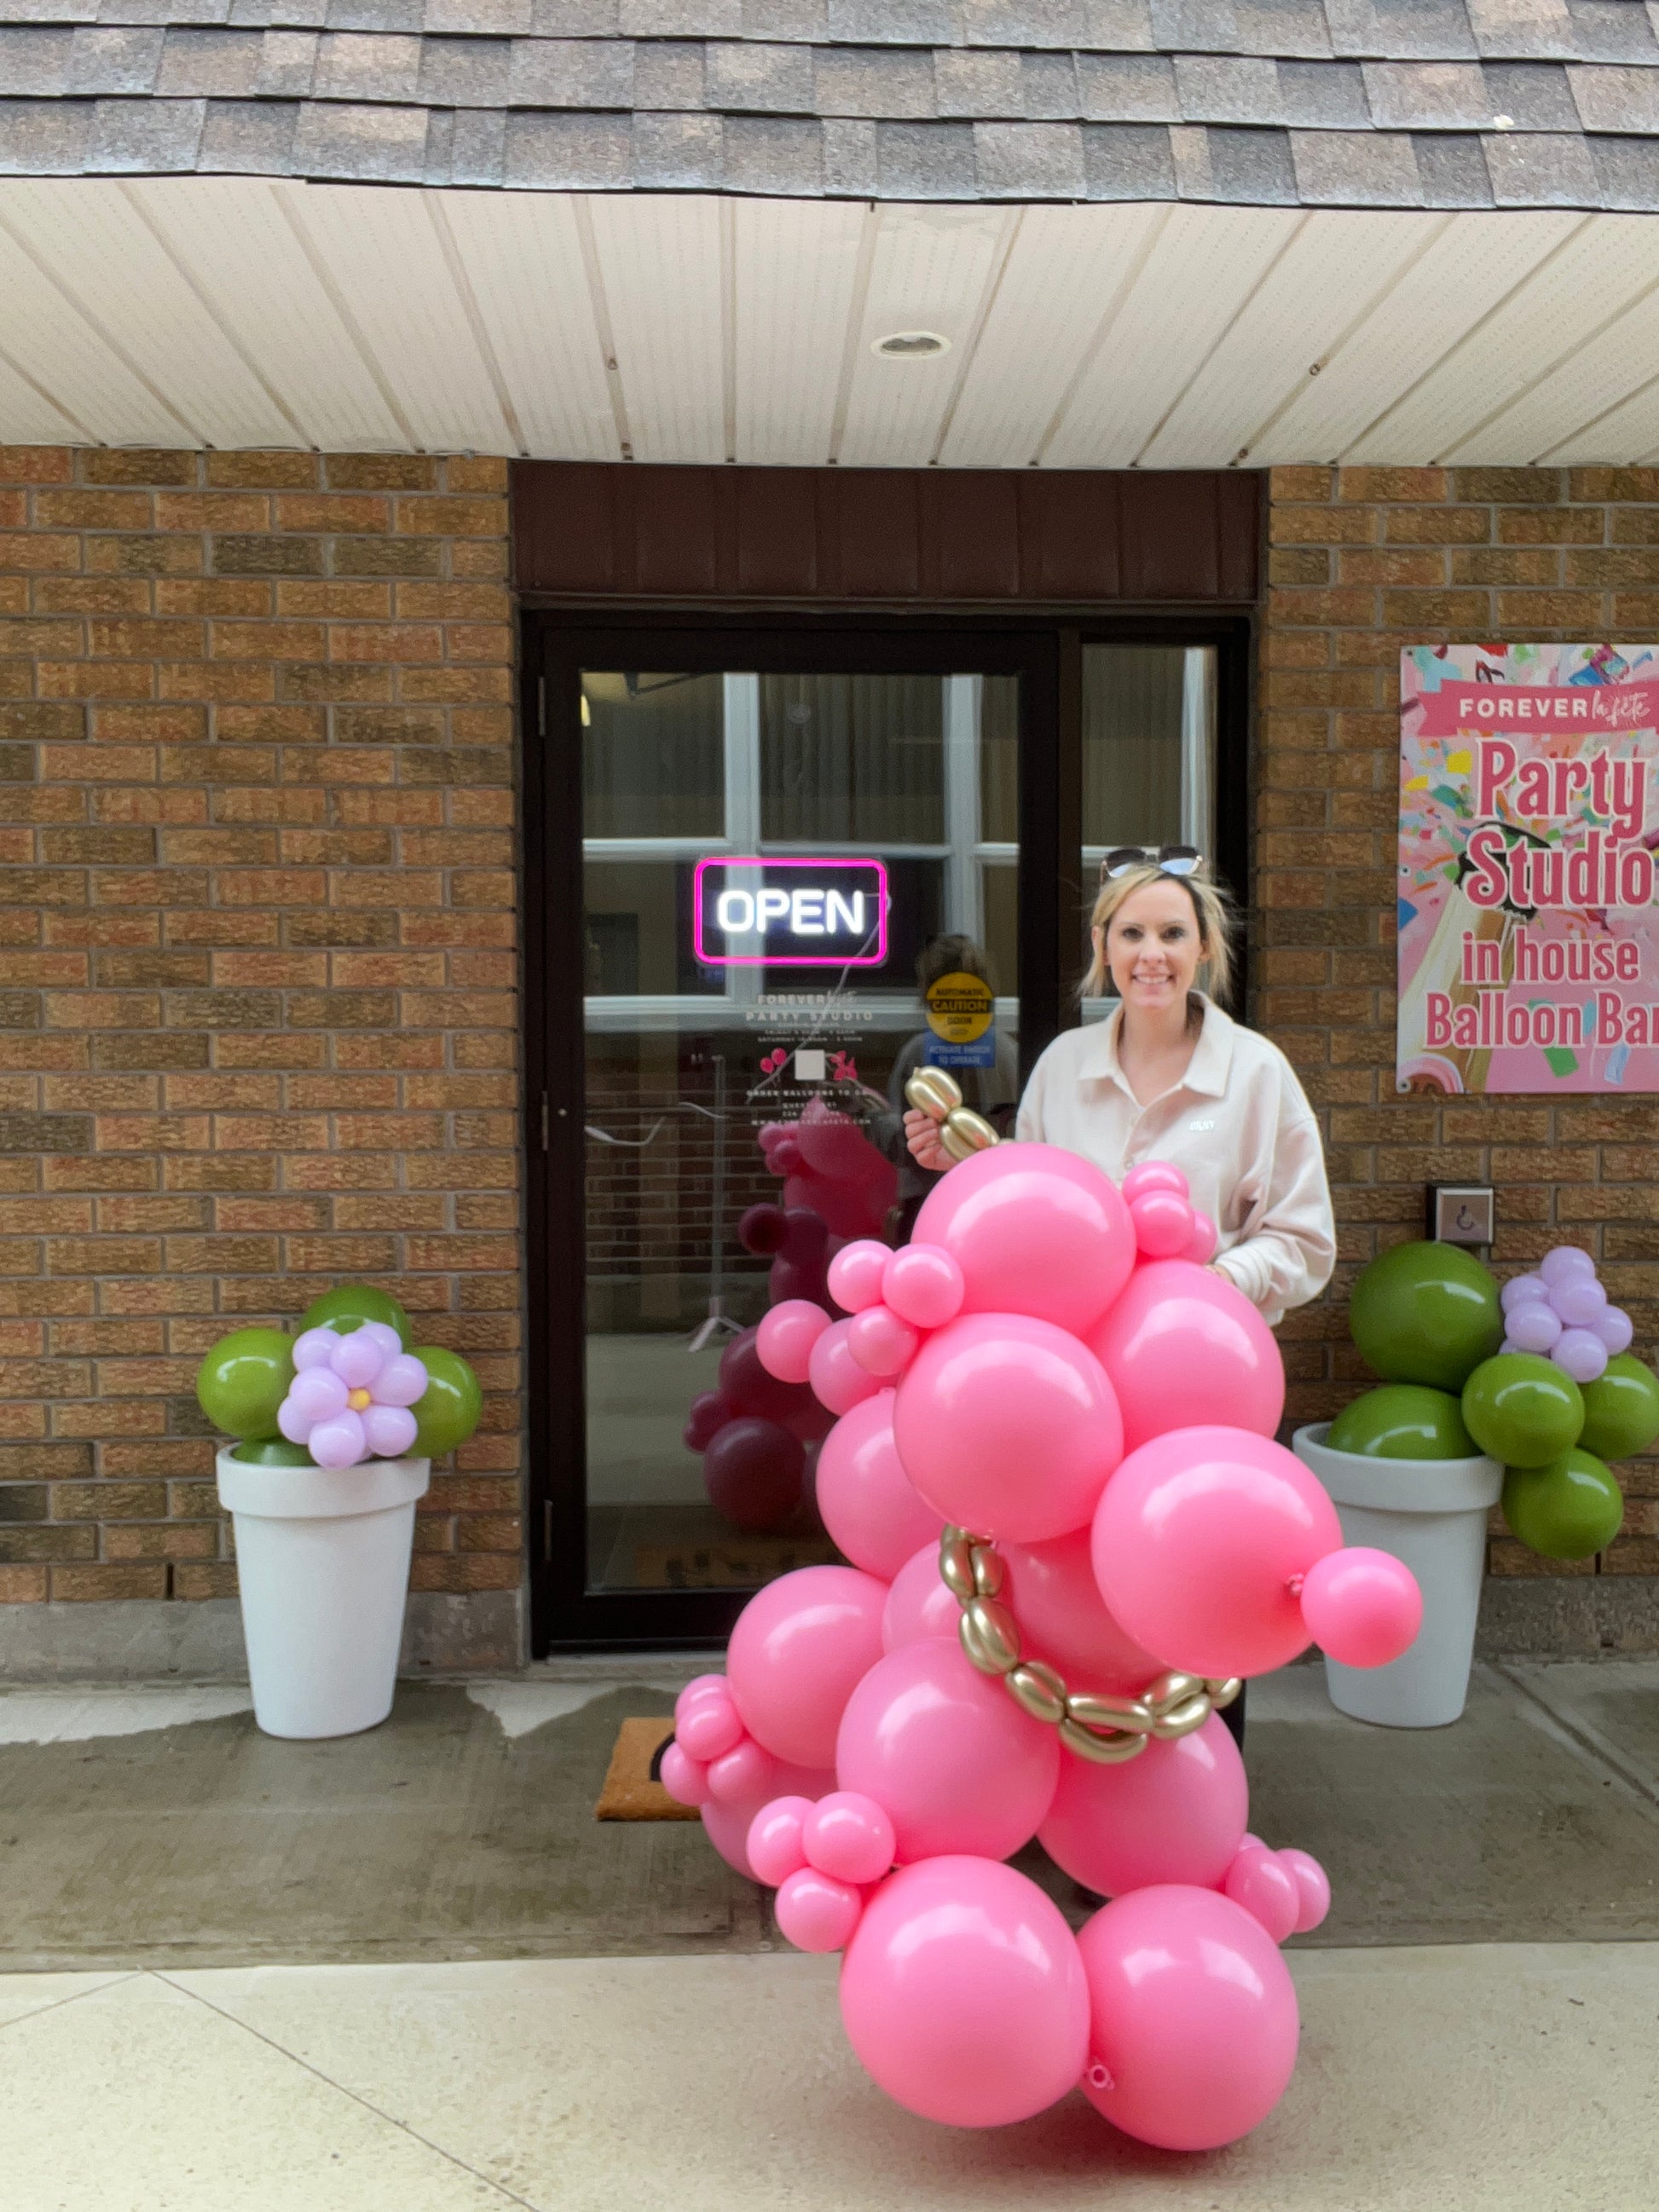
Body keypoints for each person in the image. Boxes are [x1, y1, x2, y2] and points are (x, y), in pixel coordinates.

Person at [905, 846, 1337, 1753]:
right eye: (1132, 932)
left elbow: (1302, 1242)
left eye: (1173, 933)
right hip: (1071, 1401)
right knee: (1067, 1593)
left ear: (1204, 948)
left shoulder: (1255, 1074)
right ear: (1102, 948)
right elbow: (1029, 1223)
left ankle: (1196, 1795)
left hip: (1199, 1392)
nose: (1152, 954)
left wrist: (1206, 1289)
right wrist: (963, 1169)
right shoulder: (1061, 1067)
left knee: (1205, 1579)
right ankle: (1081, 1791)